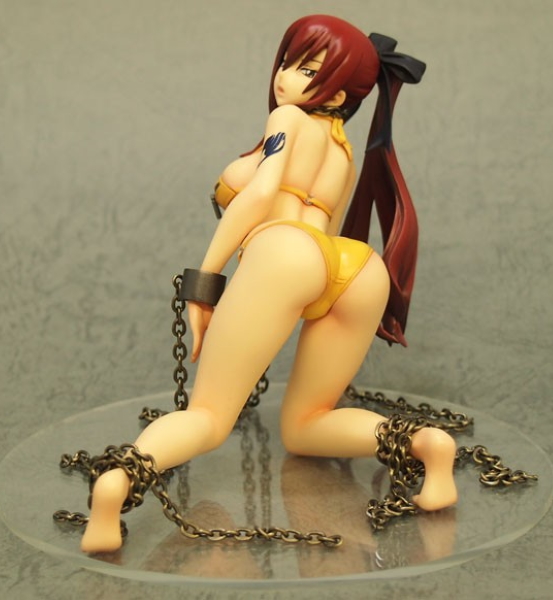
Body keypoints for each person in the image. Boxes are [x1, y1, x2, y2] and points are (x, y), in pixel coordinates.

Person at [81, 14, 457, 554]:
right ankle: (426, 446)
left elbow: (260, 196)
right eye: (289, 61)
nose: (285, 77)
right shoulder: (344, 151)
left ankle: (115, 485)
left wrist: (204, 283)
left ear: (341, 92)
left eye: (307, 69)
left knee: (208, 417)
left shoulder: (287, 119)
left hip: (285, 255)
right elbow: (323, 238)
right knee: (306, 425)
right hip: (355, 268)